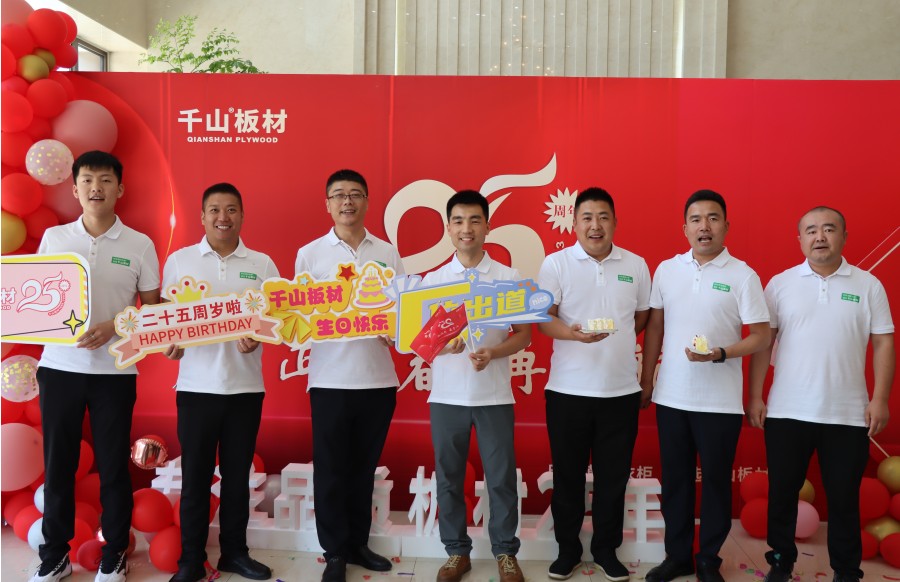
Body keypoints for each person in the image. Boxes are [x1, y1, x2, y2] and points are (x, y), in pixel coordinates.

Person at [31, 151, 161, 582]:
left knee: (113, 467)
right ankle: (55, 555)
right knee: (58, 466)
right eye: (87, 180)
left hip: (114, 374)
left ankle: (115, 552)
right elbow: (35, 296)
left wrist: (114, 326)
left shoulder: (139, 244)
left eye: (105, 180)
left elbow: (153, 312)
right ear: (74, 189)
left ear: (120, 189)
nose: (96, 188)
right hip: (59, 368)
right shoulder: (55, 238)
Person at [748, 207, 895, 582]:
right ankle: (780, 561)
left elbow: (883, 342)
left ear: (843, 236)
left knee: (844, 498)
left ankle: (846, 570)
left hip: (847, 414)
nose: (820, 237)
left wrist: (880, 398)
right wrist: (756, 395)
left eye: (829, 229)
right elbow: (763, 343)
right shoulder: (780, 284)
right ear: (799, 239)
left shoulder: (868, 285)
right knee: (783, 493)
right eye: (811, 230)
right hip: (787, 411)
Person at [639, 189, 770, 582]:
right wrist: (647, 380)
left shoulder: (743, 275)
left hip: (720, 403)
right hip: (672, 397)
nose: (704, 226)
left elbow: (761, 336)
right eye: (696, 219)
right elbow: (655, 328)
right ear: (685, 228)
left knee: (714, 483)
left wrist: (720, 354)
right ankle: (677, 556)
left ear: (726, 226)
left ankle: (709, 559)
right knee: (676, 481)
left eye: (713, 218)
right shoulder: (667, 270)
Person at [163, 183, 278, 582]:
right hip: (196, 389)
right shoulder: (180, 261)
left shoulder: (262, 264)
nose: (222, 217)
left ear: (242, 215)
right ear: (202, 216)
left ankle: (234, 553)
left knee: (236, 479)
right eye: (214, 209)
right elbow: (165, 321)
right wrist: (169, 344)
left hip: (245, 389)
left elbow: (276, 319)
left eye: (231, 209)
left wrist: (258, 335)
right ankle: (190, 561)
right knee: (195, 480)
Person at [294, 169, 405, 582]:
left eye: (355, 194)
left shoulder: (387, 252)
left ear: (367, 202)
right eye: (339, 195)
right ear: (327, 204)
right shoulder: (310, 254)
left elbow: (403, 310)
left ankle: (359, 543)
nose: (347, 201)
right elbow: (299, 315)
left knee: (364, 469)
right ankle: (335, 552)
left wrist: (393, 331)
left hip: (378, 380)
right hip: (329, 381)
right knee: (331, 471)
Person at [537, 187, 651, 582]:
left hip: (620, 392)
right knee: (568, 476)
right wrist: (573, 335)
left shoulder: (636, 265)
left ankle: (605, 549)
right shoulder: (556, 264)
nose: (595, 225)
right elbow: (545, 318)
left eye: (603, 217)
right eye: (587, 217)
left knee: (613, 479)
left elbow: (640, 318)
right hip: (567, 391)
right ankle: (567, 550)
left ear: (615, 222)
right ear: (574, 223)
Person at [424, 190, 531, 582]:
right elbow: (422, 342)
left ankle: (505, 553)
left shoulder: (508, 278)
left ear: (487, 226)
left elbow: (524, 336)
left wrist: (494, 353)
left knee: (501, 479)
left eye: (474, 220)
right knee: (449, 478)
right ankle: (457, 552)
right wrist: (443, 345)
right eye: (458, 221)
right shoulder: (434, 281)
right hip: (446, 397)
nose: (466, 228)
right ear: (448, 228)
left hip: (494, 396)